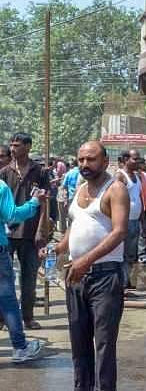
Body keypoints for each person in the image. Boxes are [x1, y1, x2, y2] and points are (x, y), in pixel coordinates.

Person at [44, 141, 130, 391]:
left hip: (105, 277)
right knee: (79, 343)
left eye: (91, 159)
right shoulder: (81, 188)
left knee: (103, 344)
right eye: (81, 159)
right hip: (76, 277)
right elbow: (76, 224)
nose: (85, 164)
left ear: (105, 161)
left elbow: (119, 232)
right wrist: (57, 248)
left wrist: (86, 261)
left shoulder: (115, 189)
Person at [0, 133, 50, 330]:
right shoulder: (4, 173)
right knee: (4, 279)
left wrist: (41, 230)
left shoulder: (40, 172)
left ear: (28, 147)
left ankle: (27, 317)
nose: (13, 149)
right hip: (7, 234)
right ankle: (3, 318)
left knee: (29, 279)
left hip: (30, 232)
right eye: (12, 145)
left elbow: (44, 202)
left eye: (17, 145)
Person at [0, 173, 46, 362]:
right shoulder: (1, 187)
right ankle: (20, 347)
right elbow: (12, 216)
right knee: (7, 299)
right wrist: (34, 202)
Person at [115, 150, 143, 291]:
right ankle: (122, 283)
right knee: (122, 253)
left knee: (131, 253)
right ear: (126, 159)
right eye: (135, 159)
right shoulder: (120, 176)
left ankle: (127, 280)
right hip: (124, 221)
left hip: (135, 220)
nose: (138, 162)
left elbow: (138, 196)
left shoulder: (137, 176)